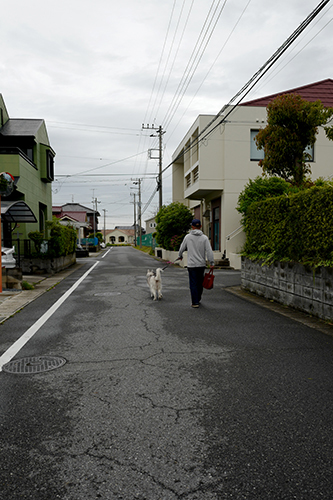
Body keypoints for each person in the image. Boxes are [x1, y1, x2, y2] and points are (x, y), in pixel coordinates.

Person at [178, 219, 215, 308]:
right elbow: (209, 251)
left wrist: (180, 255)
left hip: (191, 265)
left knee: (193, 283)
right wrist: (211, 262)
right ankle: (198, 298)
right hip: (201, 264)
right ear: (201, 227)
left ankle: (195, 302)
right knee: (200, 282)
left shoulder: (188, 237)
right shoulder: (205, 238)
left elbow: (182, 247)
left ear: (192, 227)